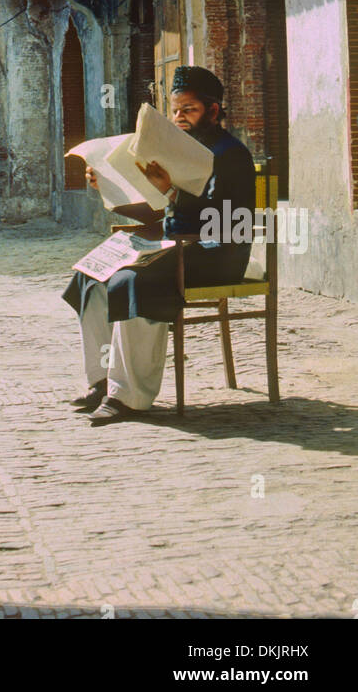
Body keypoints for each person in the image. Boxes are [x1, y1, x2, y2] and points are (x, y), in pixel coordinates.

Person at [63, 65, 255, 426]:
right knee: (92, 277)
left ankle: (129, 397)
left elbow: (226, 222)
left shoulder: (231, 155)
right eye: (175, 109)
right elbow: (157, 211)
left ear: (213, 111)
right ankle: (102, 382)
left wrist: (169, 191)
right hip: (174, 246)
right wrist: (105, 184)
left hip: (218, 254)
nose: (179, 118)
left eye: (189, 110)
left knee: (130, 280)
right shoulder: (173, 149)